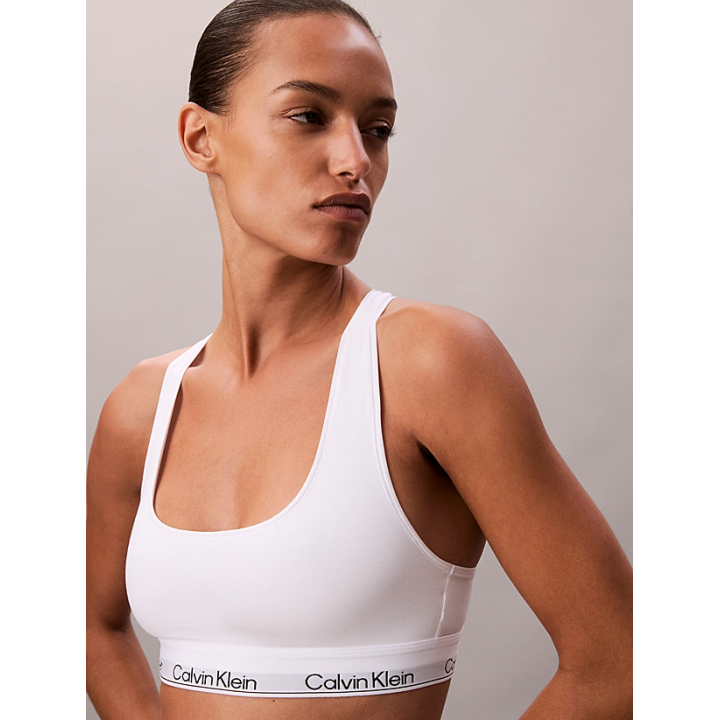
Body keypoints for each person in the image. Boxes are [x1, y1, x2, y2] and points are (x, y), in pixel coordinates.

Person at [86, 1, 633, 718]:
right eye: (308, 116)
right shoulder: (143, 407)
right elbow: (89, 626)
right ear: (201, 137)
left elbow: (623, 660)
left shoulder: (429, 364)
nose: (356, 161)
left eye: (378, 129)